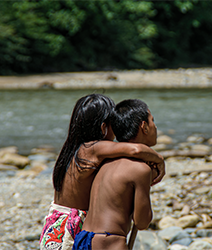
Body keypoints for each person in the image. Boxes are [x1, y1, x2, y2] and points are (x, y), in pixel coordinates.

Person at [40, 94, 165, 250]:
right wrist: (159, 160)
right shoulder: (92, 149)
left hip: (58, 228)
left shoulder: (76, 150)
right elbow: (135, 149)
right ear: (103, 127)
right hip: (70, 229)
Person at [72, 99, 158, 250]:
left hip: (84, 238)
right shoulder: (140, 169)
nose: (155, 127)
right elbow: (142, 222)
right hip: (109, 241)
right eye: (152, 121)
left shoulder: (105, 162)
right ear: (144, 127)